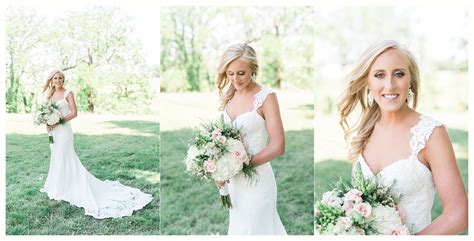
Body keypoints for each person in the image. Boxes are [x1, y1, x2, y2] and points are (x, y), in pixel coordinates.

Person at [338, 40, 468, 234]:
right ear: (368, 81)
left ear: (411, 81)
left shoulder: (432, 134)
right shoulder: (364, 132)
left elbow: (458, 214)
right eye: (379, 75)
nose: (389, 85)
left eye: (399, 74)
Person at [40, 70, 152, 219]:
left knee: (65, 155)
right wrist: (48, 123)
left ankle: (70, 186)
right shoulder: (50, 94)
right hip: (53, 132)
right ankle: (58, 186)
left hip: (64, 130)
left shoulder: (68, 93)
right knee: (56, 155)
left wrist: (59, 121)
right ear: (52, 80)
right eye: (55, 78)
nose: (58, 80)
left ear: (63, 80)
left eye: (61, 78)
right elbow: (46, 112)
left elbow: (74, 113)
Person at [215, 43, 287, 235]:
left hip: (258, 180)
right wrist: (220, 168)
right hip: (235, 184)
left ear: (253, 69)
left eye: (241, 73)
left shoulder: (267, 97)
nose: (235, 79)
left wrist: (240, 165)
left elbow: (278, 146)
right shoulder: (229, 96)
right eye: (230, 74)